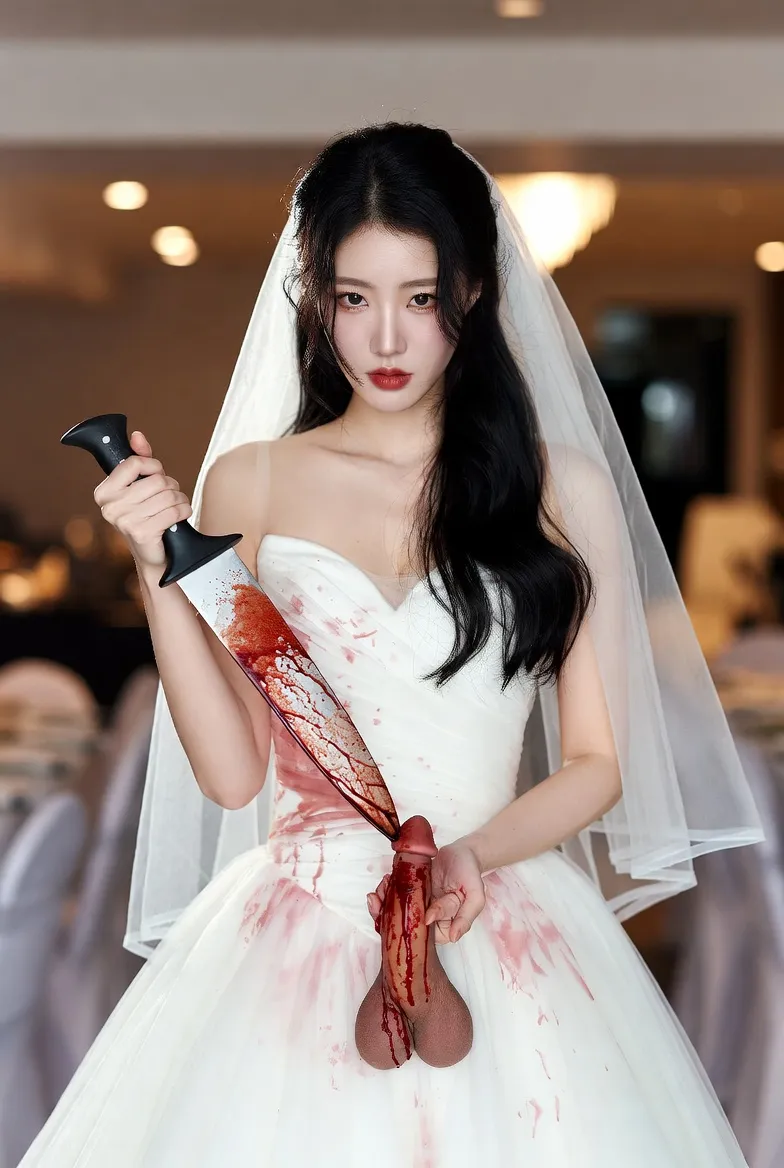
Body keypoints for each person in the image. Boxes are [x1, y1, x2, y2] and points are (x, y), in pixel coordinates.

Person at [24, 123, 763, 1165]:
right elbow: (233, 774)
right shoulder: (255, 481)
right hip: (299, 920)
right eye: (352, 298)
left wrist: (471, 855)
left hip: (493, 906)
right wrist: (158, 569)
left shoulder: (561, 490)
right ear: (315, 299)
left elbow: (598, 763)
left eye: (419, 299)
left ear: (472, 293)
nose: (383, 340)